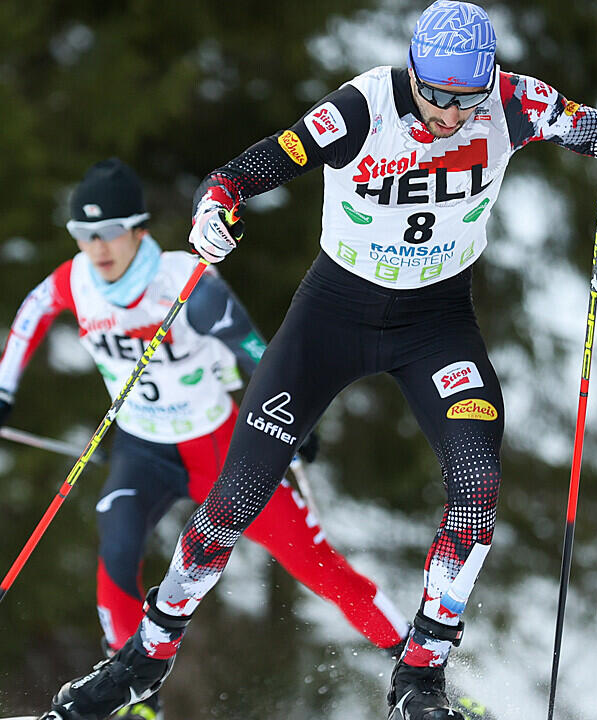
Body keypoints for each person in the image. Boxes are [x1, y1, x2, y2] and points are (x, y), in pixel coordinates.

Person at [37, 3, 597, 719]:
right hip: (331, 318)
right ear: (413, 74)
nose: (451, 115)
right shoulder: (366, 105)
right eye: (436, 96)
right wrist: (217, 204)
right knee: (232, 504)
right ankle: (145, 656)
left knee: (478, 487)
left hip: (437, 323)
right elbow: (261, 162)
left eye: (467, 98)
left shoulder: (516, 100)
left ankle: (421, 675)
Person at [0, 159, 410, 720]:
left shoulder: (186, 280)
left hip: (222, 447)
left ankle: (419, 673)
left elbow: (259, 352)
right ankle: (138, 703)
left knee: (315, 564)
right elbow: (31, 313)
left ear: (139, 229)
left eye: (110, 232)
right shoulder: (73, 281)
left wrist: (294, 418)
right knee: (116, 551)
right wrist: (3, 390)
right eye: (84, 235)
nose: (97, 248)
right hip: (143, 451)